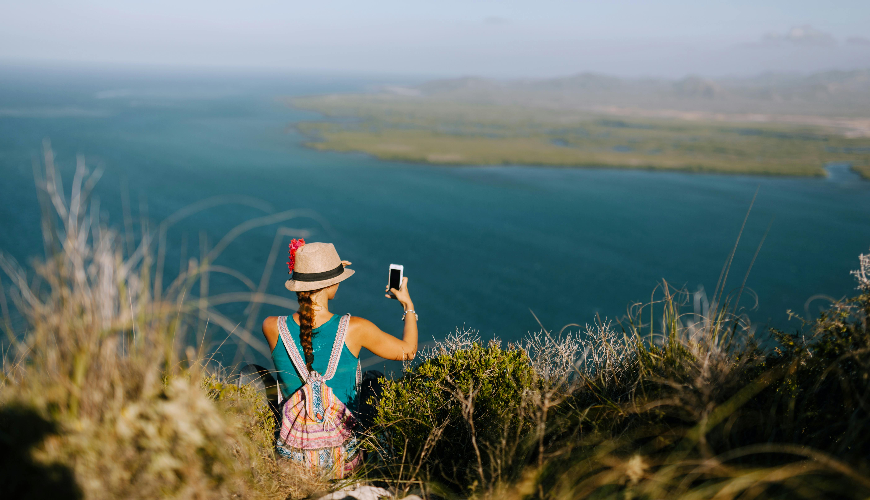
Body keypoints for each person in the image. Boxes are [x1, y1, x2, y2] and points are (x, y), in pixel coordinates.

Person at [261, 241, 418, 431]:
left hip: (294, 441)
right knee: (374, 381)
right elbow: (408, 351)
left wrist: (329, 274)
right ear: (331, 284)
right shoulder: (355, 328)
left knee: (254, 372)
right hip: (344, 452)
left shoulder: (272, 326)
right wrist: (408, 306)